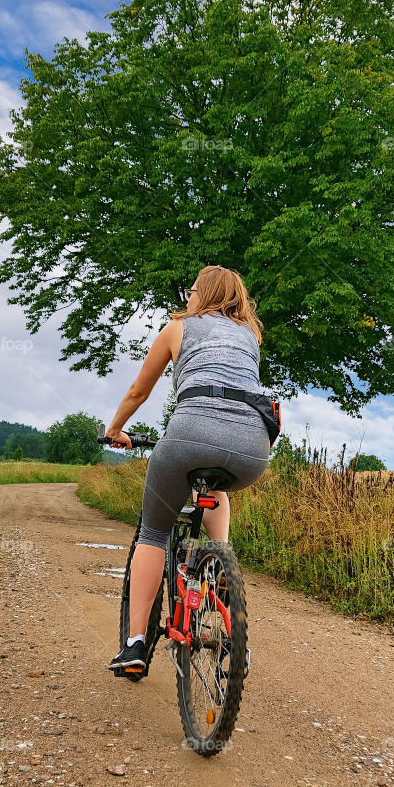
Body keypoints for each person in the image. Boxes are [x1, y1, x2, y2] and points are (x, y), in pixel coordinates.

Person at [103, 265, 272, 675]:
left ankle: (135, 644)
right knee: (217, 486)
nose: (187, 299)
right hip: (253, 446)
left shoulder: (178, 328)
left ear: (203, 294)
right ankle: (221, 561)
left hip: (189, 435)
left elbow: (139, 390)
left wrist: (116, 429)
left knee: (154, 532)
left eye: (192, 291)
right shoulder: (251, 335)